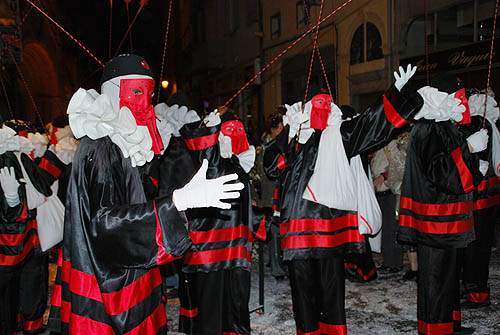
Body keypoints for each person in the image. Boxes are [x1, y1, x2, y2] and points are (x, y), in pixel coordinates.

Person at [47, 54, 244, 335]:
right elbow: (105, 223)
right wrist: (177, 203)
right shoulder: (102, 147)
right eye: (136, 91)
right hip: (108, 289)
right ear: (114, 94)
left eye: (149, 94)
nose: (144, 103)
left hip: (131, 274)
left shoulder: (120, 143)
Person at [264, 64, 423, 334]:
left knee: (331, 291)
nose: (320, 109)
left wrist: (396, 93)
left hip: (328, 231)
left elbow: (371, 123)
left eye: (325, 103)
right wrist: (290, 137)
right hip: (298, 232)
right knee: (303, 294)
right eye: (315, 104)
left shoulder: (340, 134)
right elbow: (271, 167)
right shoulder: (295, 137)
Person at [397, 73, 487, 335]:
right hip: (435, 221)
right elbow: (439, 171)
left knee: (448, 278)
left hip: (449, 219)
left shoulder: (445, 125)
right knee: (435, 280)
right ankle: (436, 330)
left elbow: (457, 171)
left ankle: (450, 325)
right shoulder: (427, 128)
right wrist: (468, 149)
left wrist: (476, 167)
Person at [177, 108, 272, 335]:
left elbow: (238, 206)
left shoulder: (238, 164)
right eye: (229, 130)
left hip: (235, 249)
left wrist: (262, 216)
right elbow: (204, 151)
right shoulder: (215, 162)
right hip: (212, 249)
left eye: (240, 129)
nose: (236, 133)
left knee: (235, 302)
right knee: (212, 308)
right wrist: (208, 127)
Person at [0, 120, 52, 335]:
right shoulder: (7, 157)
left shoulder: (21, 156)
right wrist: (12, 201)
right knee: (7, 288)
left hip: (29, 231)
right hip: (9, 238)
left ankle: (30, 324)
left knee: (31, 279)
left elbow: (42, 187)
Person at [460, 91, 500, 309]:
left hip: (479, 198)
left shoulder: (478, 122)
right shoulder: (492, 124)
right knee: (480, 247)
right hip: (490, 197)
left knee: (474, 248)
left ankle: (476, 292)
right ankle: (477, 290)